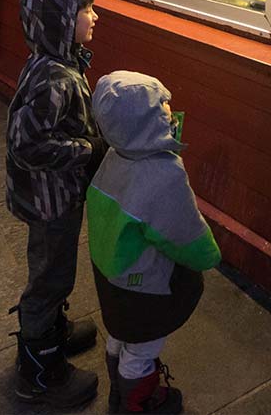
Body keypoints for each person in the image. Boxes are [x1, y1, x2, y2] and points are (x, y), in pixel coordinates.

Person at [88, 71, 221, 414]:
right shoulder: (163, 173)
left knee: (119, 332)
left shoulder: (114, 156)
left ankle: (119, 392)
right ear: (143, 120)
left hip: (110, 274)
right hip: (143, 285)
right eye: (160, 104)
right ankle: (139, 401)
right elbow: (183, 232)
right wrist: (208, 254)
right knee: (143, 346)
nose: (169, 107)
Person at [6, 0, 108, 408]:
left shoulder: (55, 62)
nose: (95, 16)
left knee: (55, 269)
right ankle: (39, 367)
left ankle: (51, 330)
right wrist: (86, 149)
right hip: (52, 200)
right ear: (62, 20)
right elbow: (26, 143)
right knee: (50, 275)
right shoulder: (55, 77)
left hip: (55, 194)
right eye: (87, 10)